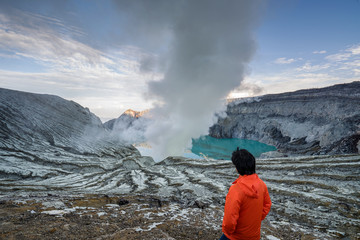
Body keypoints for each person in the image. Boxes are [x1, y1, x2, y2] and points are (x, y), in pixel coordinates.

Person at [219, 148, 271, 240]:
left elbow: (229, 221)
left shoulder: (236, 189)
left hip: (236, 236)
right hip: (254, 235)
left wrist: (228, 232)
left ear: (237, 169)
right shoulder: (261, 184)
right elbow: (267, 205)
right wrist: (255, 219)